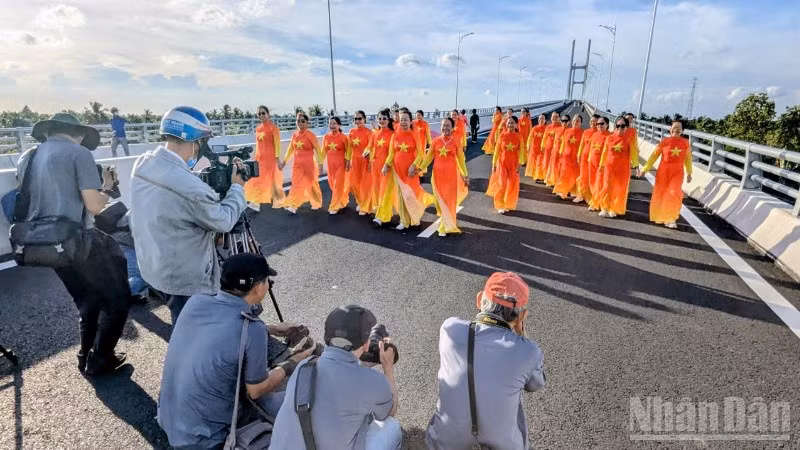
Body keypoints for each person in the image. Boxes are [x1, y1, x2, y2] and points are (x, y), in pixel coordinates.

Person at [157, 253, 315, 449]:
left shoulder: (196, 302)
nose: (268, 284)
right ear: (257, 288)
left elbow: (220, 333)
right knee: (298, 399)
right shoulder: (251, 329)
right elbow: (256, 390)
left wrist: (271, 328)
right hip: (204, 440)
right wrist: (291, 363)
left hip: (169, 420)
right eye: (267, 280)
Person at [18, 113, 130, 374]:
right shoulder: (79, 154)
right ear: (78, 134)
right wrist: (109, 186)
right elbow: (94, 206)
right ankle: (101, 358)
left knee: (87, 300)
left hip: (46, 243)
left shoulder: (29, 157)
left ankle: (85, 356)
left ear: (47, 132)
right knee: (117, 301)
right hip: (80, 240)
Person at [131, 106, 247, 325]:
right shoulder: (190, 187)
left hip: (153, 266)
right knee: (192, 330)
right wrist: (237, 188)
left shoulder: (143, 163)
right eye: (202, 141)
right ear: (195, 141)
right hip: (184, 279)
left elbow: (173, 187)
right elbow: (223, 221)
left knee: (182, 321)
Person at [426, 272, 546, 450]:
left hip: (443, 444)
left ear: (479, 299)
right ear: (521, 316)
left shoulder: (449, 328)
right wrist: (522, 337)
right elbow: (535, 385)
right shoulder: (528, 351)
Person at [271, 305, 402, 450]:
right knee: (391, 427)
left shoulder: (305, 366)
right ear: (366, 345)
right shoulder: (371, 381)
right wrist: (388, 367)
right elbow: (390, 410)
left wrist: (360, 365)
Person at [410, 118, 469, 236]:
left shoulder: (456, 141)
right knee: (438, 201)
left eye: (448, 126)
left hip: (451, 177)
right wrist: (419, 169)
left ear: (453, 128)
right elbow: (428, 158)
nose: (445, 128)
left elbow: (461, 160)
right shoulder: (435, 141)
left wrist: (465, 175)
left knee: (449, 201)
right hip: (437, 177)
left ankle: (446, 226)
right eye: (443, 126)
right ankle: (445, 220)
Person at [376, 110, 434, 230]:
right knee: (401, 195)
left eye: (406, 119)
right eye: (401, 119)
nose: (403, 122)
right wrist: (386, 164)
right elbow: (392, 153)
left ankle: (414, 217)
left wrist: (414, 165)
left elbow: (420, 154)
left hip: (410, 171)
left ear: (410, 121)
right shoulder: (395, 135)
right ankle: (404, 220)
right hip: (397, 170)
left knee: (411, 195)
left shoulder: (415, 135)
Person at [637, 120, 692, 228]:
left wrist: (689, 173)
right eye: (674, 127)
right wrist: (645, 169)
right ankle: (660, 216)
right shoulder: (664, 142)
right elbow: (653, 156)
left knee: (673, 193)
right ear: (670, 129)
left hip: (677, 173)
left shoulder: (685, 143)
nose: (676, 130)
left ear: (682, 131)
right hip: (663, 173)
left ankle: (671, 218)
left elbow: (688, 159)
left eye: (679, 128)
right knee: (661, 194)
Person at [280, 112, 324, 214]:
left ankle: (316, 202)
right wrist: (284, 162)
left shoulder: (311, 135)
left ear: (307, 123)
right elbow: (290, 150)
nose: (300, 123)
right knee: (296, 185)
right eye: (298, 121)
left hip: (309, 165)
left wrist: (320, 164)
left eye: (303, 121)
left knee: (313, 184)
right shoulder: (294, 135)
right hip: (297, 165)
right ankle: (293, 205)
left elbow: (318, 151)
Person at [244, 105, 285, 212]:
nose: (261, 115)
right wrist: (256, 157)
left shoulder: (274, 128)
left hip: (270, 158)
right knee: (256, 179)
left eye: (263, 113)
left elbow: (277, 144)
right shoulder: (257, 128)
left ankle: (256, 202)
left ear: (268, 114)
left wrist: (277, 158)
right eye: (259, 114)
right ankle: (257, 201)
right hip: (260, 158)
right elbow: (258, 145)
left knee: (266, 180)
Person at [486, 115, 526, 214]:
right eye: (508, 123)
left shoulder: (519, 136)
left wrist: (520, 163)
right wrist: (493, 164)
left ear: (516, 124)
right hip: (502, 163)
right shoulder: (502, 135)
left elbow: (521, 151)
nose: (510, 125)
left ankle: (508, 204)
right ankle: (499, 205)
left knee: (512, 185)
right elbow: (497, 151)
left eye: (512, 123)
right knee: (502, 184)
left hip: (513, 164)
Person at [596, 117, 634, 218]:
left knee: (618, 189)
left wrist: (637, 165)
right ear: (615, 126)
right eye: (618, 126)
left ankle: (613, 208)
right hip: (609, 167)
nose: (620, 128)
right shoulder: (610, 138)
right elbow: (604, 153)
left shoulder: (629, 139)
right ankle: (604, 207)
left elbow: (634, 153)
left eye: (623, 126)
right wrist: (601, 165)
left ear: (627, 127)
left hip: (622, 169)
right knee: (607, 187)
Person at [366, 109, 395, 219]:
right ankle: (381, 211)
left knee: (384, 190)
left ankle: (382, 216)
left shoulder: (393, 134)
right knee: (377, 190)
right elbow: (369, 146)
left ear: (389, 120)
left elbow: (393, 152)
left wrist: (387, 165)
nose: (382, 121)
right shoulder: (375, 133)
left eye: (384, 118)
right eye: (380, 118)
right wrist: (367, 151)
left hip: (386, 166)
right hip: (375, 165)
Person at [322, 116, 352, 215]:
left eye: (334, 124)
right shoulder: (326, 137)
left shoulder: (343, 137)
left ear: (339, 125)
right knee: (332, 184)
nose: (332, 126)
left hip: (340, 164)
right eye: (330, 124)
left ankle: (334, 206)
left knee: (337, 185)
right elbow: (323, 151)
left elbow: (348, 150)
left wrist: (348, 161)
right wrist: (320, 163)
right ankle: (342, 201)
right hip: (330, 165)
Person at [349, 110, 374, 215]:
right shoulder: (351, 132)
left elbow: (372, 149)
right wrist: (348, 161)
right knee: (355, 184)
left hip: (365, 162)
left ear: (364, 119)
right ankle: (360, 202)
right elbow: (349, 148)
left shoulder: (369, 133)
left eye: (360, 118)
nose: (358, 121)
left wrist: (370, 162)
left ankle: (366, 206)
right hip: (355, 161)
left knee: (366, 185)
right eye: (356, 119)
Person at [553, 115, 584, 200]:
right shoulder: (567, 131)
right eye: (574, 120)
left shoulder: (582, 133)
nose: (575, 122)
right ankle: (562, 192)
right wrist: (561, 152)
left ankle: (574, 191)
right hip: (566, 156)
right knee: (564, 174)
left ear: (581, 123)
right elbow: (563, 143)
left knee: (575, 175)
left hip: (576, 157)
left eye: (578, 121)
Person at [586, 117, 611, 212]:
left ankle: (597, 203)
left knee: (600, 183)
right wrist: (589, 159)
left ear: (607, 125)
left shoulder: (610, 136)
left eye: (602, 123)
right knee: (592, 182)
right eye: (598, 124)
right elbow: (591, 149)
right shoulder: (595, 134)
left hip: (603, 164)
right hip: (592, 162)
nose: (599, 125)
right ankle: (597, 200)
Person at [574, 115, 598, 204]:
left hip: (594, 160)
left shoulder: (600, 133)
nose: (593, 123)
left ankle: (589, 196)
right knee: (583, 177)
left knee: (592, 178)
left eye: (595, 121)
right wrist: (579, 155)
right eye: (591, 121)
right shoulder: (586, 132)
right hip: (584, 158)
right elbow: (582, 145)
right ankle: (580, 195)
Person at [545, 114, 569, 187]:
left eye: (566, 121)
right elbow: (555, 141)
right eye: (562, 121)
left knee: (563, 168)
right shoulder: (557, 130)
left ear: (569, 122)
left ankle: (561, 183)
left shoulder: (569, 130)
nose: (564, 123)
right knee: (554, 166)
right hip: (556, 151)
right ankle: (554, 181)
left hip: (565, 153)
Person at [539, 111, 561, 184]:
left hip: (556, 149)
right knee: (546, 163)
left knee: (554, 165)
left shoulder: (561, 127)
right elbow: (544, 137)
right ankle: (546, 178)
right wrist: (542, 145)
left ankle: (553, 180)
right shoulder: (548, 127)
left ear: (559, 118)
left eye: (556, 117)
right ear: (551, 118)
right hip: (548, 148)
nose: (554, 118)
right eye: (553, 117)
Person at [524, 113, 547, 181]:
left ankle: (538, 175)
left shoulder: (547, 128)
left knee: (540, 162)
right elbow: (530, 138)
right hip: (534, 148)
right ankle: (535, 175)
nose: (541, 120)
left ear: (545, 120)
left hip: (542, 149)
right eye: (540, 118)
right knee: (534, 163)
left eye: (543, 118)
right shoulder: (534, 128)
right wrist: (528, 146)